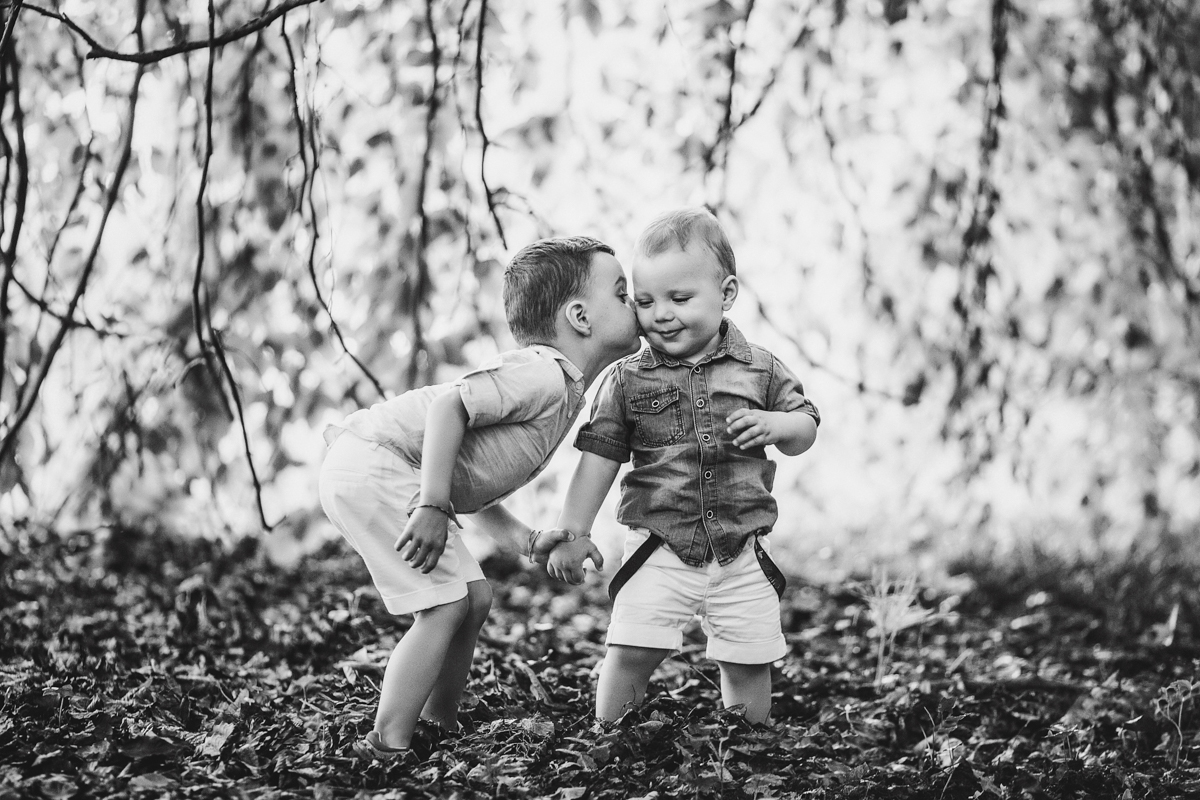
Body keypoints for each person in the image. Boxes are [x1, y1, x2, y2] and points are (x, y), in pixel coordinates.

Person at [318, 236, 640, 761]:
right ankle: (387, 743)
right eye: (623, 293)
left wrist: (524, 538)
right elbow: (449, 409)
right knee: (446, 603)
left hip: (380, 465)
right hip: (375, 462)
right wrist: (431, 505)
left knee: (475, 597)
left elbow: (469, 476)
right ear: (580, 317)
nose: (636, 305)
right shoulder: (543, 373)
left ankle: (437, 725)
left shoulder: (562, 387)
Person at [546, 208, 820, 725]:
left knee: (748, 657)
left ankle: (746, 740)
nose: (661, 315)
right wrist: (573, 530)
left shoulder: (759, 367)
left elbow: (804, 425)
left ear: (727, 294)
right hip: (658, 543)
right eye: (645, 302)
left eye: (680, 299)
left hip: (740, 547)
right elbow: (598, 457)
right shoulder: (629, 379)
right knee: (633, 648)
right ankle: (611, 735)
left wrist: (777, 426)